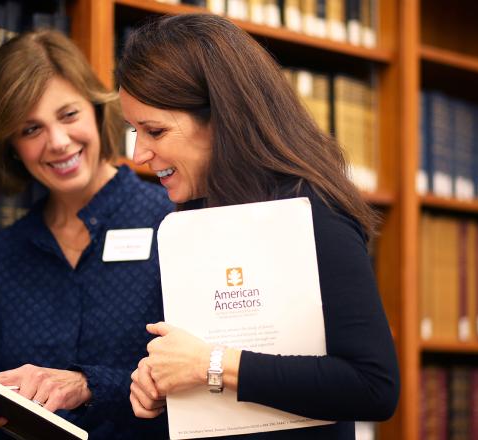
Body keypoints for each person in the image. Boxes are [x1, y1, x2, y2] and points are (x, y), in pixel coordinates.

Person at [118, 13, 400, 439]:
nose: (138, 153)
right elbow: (205, 360)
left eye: (154, 131)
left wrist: (208, 365)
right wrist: (161, 380)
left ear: (220, 119)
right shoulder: (191, 216)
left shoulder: (311, 207)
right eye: (134, 130)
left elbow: (374, 386)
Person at [0, 29, 172, 439]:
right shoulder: (0, 256)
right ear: (10, 145)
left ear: (97, 110)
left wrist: (88, 386)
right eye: (31, 129)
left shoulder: (171, 223)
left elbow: (204, 380)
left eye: (68, 115)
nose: (59, 142)